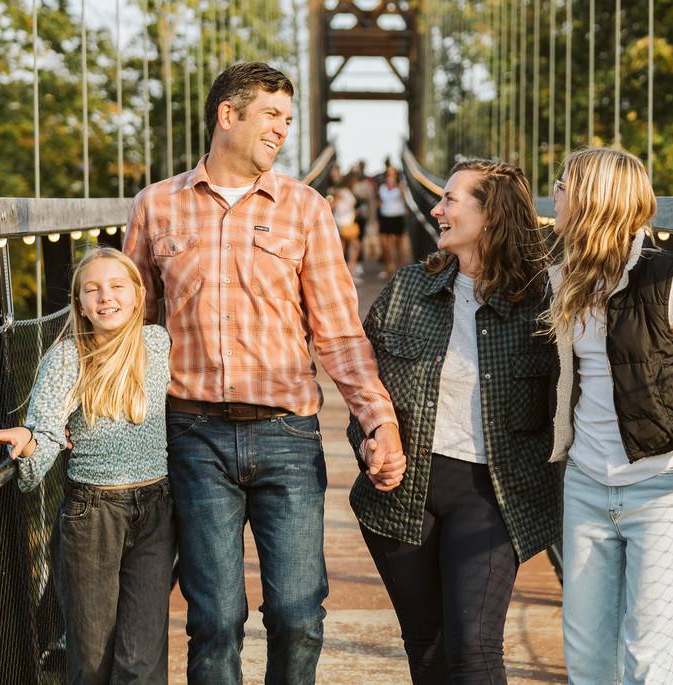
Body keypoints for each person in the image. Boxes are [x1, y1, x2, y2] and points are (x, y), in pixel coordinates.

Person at [124, 61, 405, 684]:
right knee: (215, 620)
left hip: (288, 434)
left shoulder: (305, 209)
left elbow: (337, 329)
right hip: (193, 436)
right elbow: (127, 331)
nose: (283, 129)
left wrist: (376, 418)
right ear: (229, 114)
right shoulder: (155, 206)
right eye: (272, 115)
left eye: (287, 117)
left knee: (299, 615)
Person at [349, 159, 562, 684]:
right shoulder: (406, 290)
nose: (436, 209)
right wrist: (369, 440)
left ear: (491, 216)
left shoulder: (545, 303)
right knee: (426, 649)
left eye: (450, 199)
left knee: (473, 650)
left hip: (492, 491)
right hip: (404, 491)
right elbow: (363, 389)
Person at [547, 147, 673, 684]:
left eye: (563, 185)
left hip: (657, 487)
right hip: (585, 485)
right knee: (587, 658)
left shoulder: (667, 279)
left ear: (593, 200)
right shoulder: (564, 275)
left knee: (646, 659)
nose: (555, 195)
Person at [0, 247, 176, 685]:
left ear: (139, 295)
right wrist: (26, 442)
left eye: (117, 286)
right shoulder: (67, 358)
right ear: (80, 304)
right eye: (93, 289)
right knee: (92, 660)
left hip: (157, 509)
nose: (107, 297)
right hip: (93, 516)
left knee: (143, 660)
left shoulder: (158, 344)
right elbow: (45, 431)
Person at [376, 166, 409, 276]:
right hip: (385, 217)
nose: (390, 176)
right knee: (384, 243)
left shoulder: (400, 187)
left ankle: (399, 268)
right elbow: (379, 202)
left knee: (398, 244)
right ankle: (387, 267)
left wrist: (400, 189)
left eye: (392, 174)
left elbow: (405, 201)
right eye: (388, 174)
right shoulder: (381, 188)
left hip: (397, 216)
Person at [332, 183, 363, 278]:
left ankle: (343, 272)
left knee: (342, 248)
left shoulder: (342, 194)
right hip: (345, 225)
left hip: (342, 224)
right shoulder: (344, 193)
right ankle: (349, 271)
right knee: (355, 247)